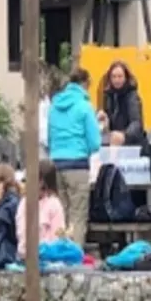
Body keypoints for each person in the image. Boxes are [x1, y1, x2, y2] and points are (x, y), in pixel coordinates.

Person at [48, 68, 101, 239]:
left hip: (55, 163)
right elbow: (95, 143)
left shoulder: (54, 107)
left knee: (60, 213)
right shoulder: (84, 107)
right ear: (85, 84)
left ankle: (59, 253)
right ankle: (74, 255)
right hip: (77, 164)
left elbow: (49, 137)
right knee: (78, 214)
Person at [16, 160, 66, 256]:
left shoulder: (54, 204)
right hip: (25, 254)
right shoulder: (24, 202)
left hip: (47, 256)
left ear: (44, 182)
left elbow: (57, 236)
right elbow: (21, 232)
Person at [100, 61, 147, 146]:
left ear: (126, 78)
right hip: (114, 142)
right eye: (113, 77)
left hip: (132, 143)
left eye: (120, 76)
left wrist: (124, 135)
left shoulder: (132, 96)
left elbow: (136, 123)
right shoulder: (108, 96)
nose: (116, 80)